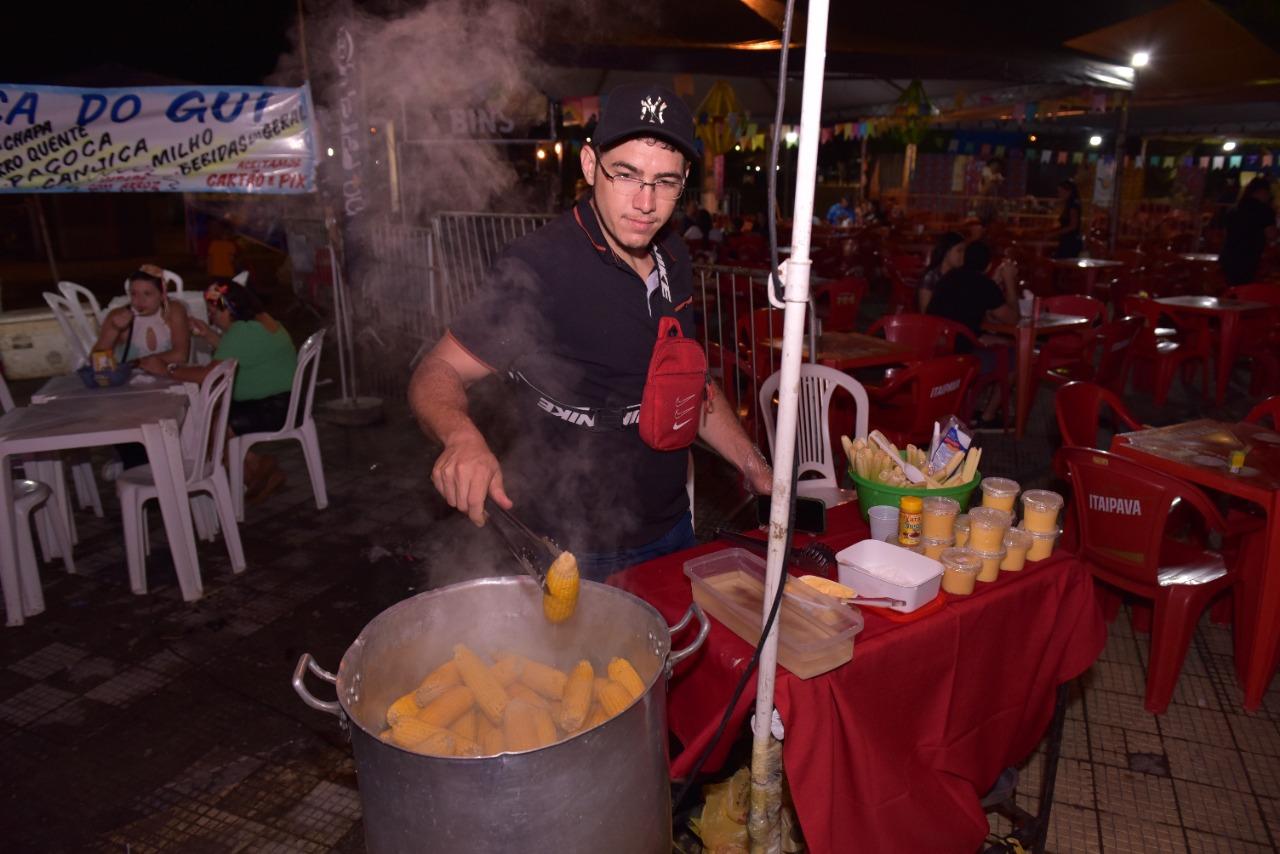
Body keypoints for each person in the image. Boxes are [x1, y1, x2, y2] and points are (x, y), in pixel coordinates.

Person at [409, 82, 772, 580]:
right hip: (569, 545)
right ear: (588, 166)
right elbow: (438, 369)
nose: (645, 202)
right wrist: (462, 438)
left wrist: (751, 463)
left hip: (670, 529)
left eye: (665, 182)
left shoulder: (675, 255)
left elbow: (689, 383)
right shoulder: (540, 266)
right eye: (626, 174)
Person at [140, 280, 298, 503]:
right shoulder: (260, 321)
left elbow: (209, 376)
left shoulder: (242, 332)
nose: (212, 318)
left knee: (210, 427)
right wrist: (208, 334)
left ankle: (252, 478)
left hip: (273, 407)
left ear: (231, 309)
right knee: (213, 415)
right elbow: (238, 353)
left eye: (215, 312)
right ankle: (260, 470)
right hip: (284, 400)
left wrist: (166, 370)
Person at [926, 241, 1017, 429]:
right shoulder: (984, 285)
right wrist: (1009, 282)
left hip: (935, 349)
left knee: (998, 344)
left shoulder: (948, 278)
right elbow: (1013, 318)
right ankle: (988, 415)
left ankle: (971, 408)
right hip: (963, 357)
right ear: (989, 265)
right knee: (1016, 357)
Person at [93, 265, 191, 368]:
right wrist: (115, 329)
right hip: (129, 380)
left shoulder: (174, 310)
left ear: (163, 296)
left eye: (147, 294)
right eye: (134, 294)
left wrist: (136, 363)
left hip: (168, 377)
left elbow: (181, 356)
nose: (140, 301)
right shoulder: (118, 316)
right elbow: (95, 361)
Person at [1219, 177, 1277, 286]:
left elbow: (1225, 233)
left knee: (1229, 290)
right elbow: (1271, 235)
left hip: (1228, 256)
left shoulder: (1235, 209)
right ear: (1262, 192)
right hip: (1250, 258)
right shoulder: (1265, 210)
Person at [917, 231, 965, 312]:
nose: (963, 255)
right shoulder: (931, 277)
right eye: (959, 251)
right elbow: (925, 311)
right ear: (946, 252)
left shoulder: (961, 276)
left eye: (964, 251)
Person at [1049, 180, 1083, 259]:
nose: (1059, 195)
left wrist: (1055, 233)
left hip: (1070, 242)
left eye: (1061, 192)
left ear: (1068, 192)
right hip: (1068, 240)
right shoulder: (1071, 204)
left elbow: (1073, 226)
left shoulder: (1073, 206)